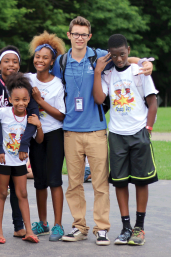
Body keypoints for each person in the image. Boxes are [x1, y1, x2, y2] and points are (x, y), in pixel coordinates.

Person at [51, 16, 154, 245]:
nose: (79, 38)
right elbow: (45, 82)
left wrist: (145, 62)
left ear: (89, 36)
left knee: (100, 183)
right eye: (75, 33)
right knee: (74, 183)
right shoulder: (62, 61)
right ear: (69, 35)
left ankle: (102, 228)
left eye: (84, 34)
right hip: (70, 130)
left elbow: (124, 58)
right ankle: (79, 226)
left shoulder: (98, 56)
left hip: (97, 130)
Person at [93, 34, 158, 246]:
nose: (119, 59)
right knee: (120, 182)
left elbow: (152, 102)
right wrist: (98, 72)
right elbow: (100, 99)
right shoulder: (108, 74)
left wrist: (147, 128)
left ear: (128, 51)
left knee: (141, 180)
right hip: (117, 135)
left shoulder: (139, 71)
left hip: (138, 132)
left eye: (122, 54)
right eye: (115, 55)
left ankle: (139, 228)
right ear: (109, 55)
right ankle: (126, 227)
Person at [0, 46, 39, 243]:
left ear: (19, 65)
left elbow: (32, 117)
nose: (10, 65)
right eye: (6, 61)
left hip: (17, 145)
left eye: (15, 61)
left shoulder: (25, 86)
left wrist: (24, 146)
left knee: (18, 187)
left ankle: (19, 227)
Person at [0, 72, 42, 244]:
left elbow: (38, 138)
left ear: (29, 100)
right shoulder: (2, 113)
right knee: (2, 193)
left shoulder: (31, 118)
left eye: (25, 100)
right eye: (17, 100)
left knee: (22, 193)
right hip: (3, 160)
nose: (21, 103)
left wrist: (38, 126)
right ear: (10, 99)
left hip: (19, 161)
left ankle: (29, 231)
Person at [27, 31, 66, 241]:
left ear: (52, 62)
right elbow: (5, 75)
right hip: (35, 135)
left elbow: (61, 115)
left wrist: (40, 101)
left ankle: (58, 225)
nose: (39, 60)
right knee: (39, 181)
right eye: (37, 56)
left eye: (45, 57)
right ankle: (43, 224)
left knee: (54, 180)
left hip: (54, 134)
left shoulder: (57, 84)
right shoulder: (27, 78)